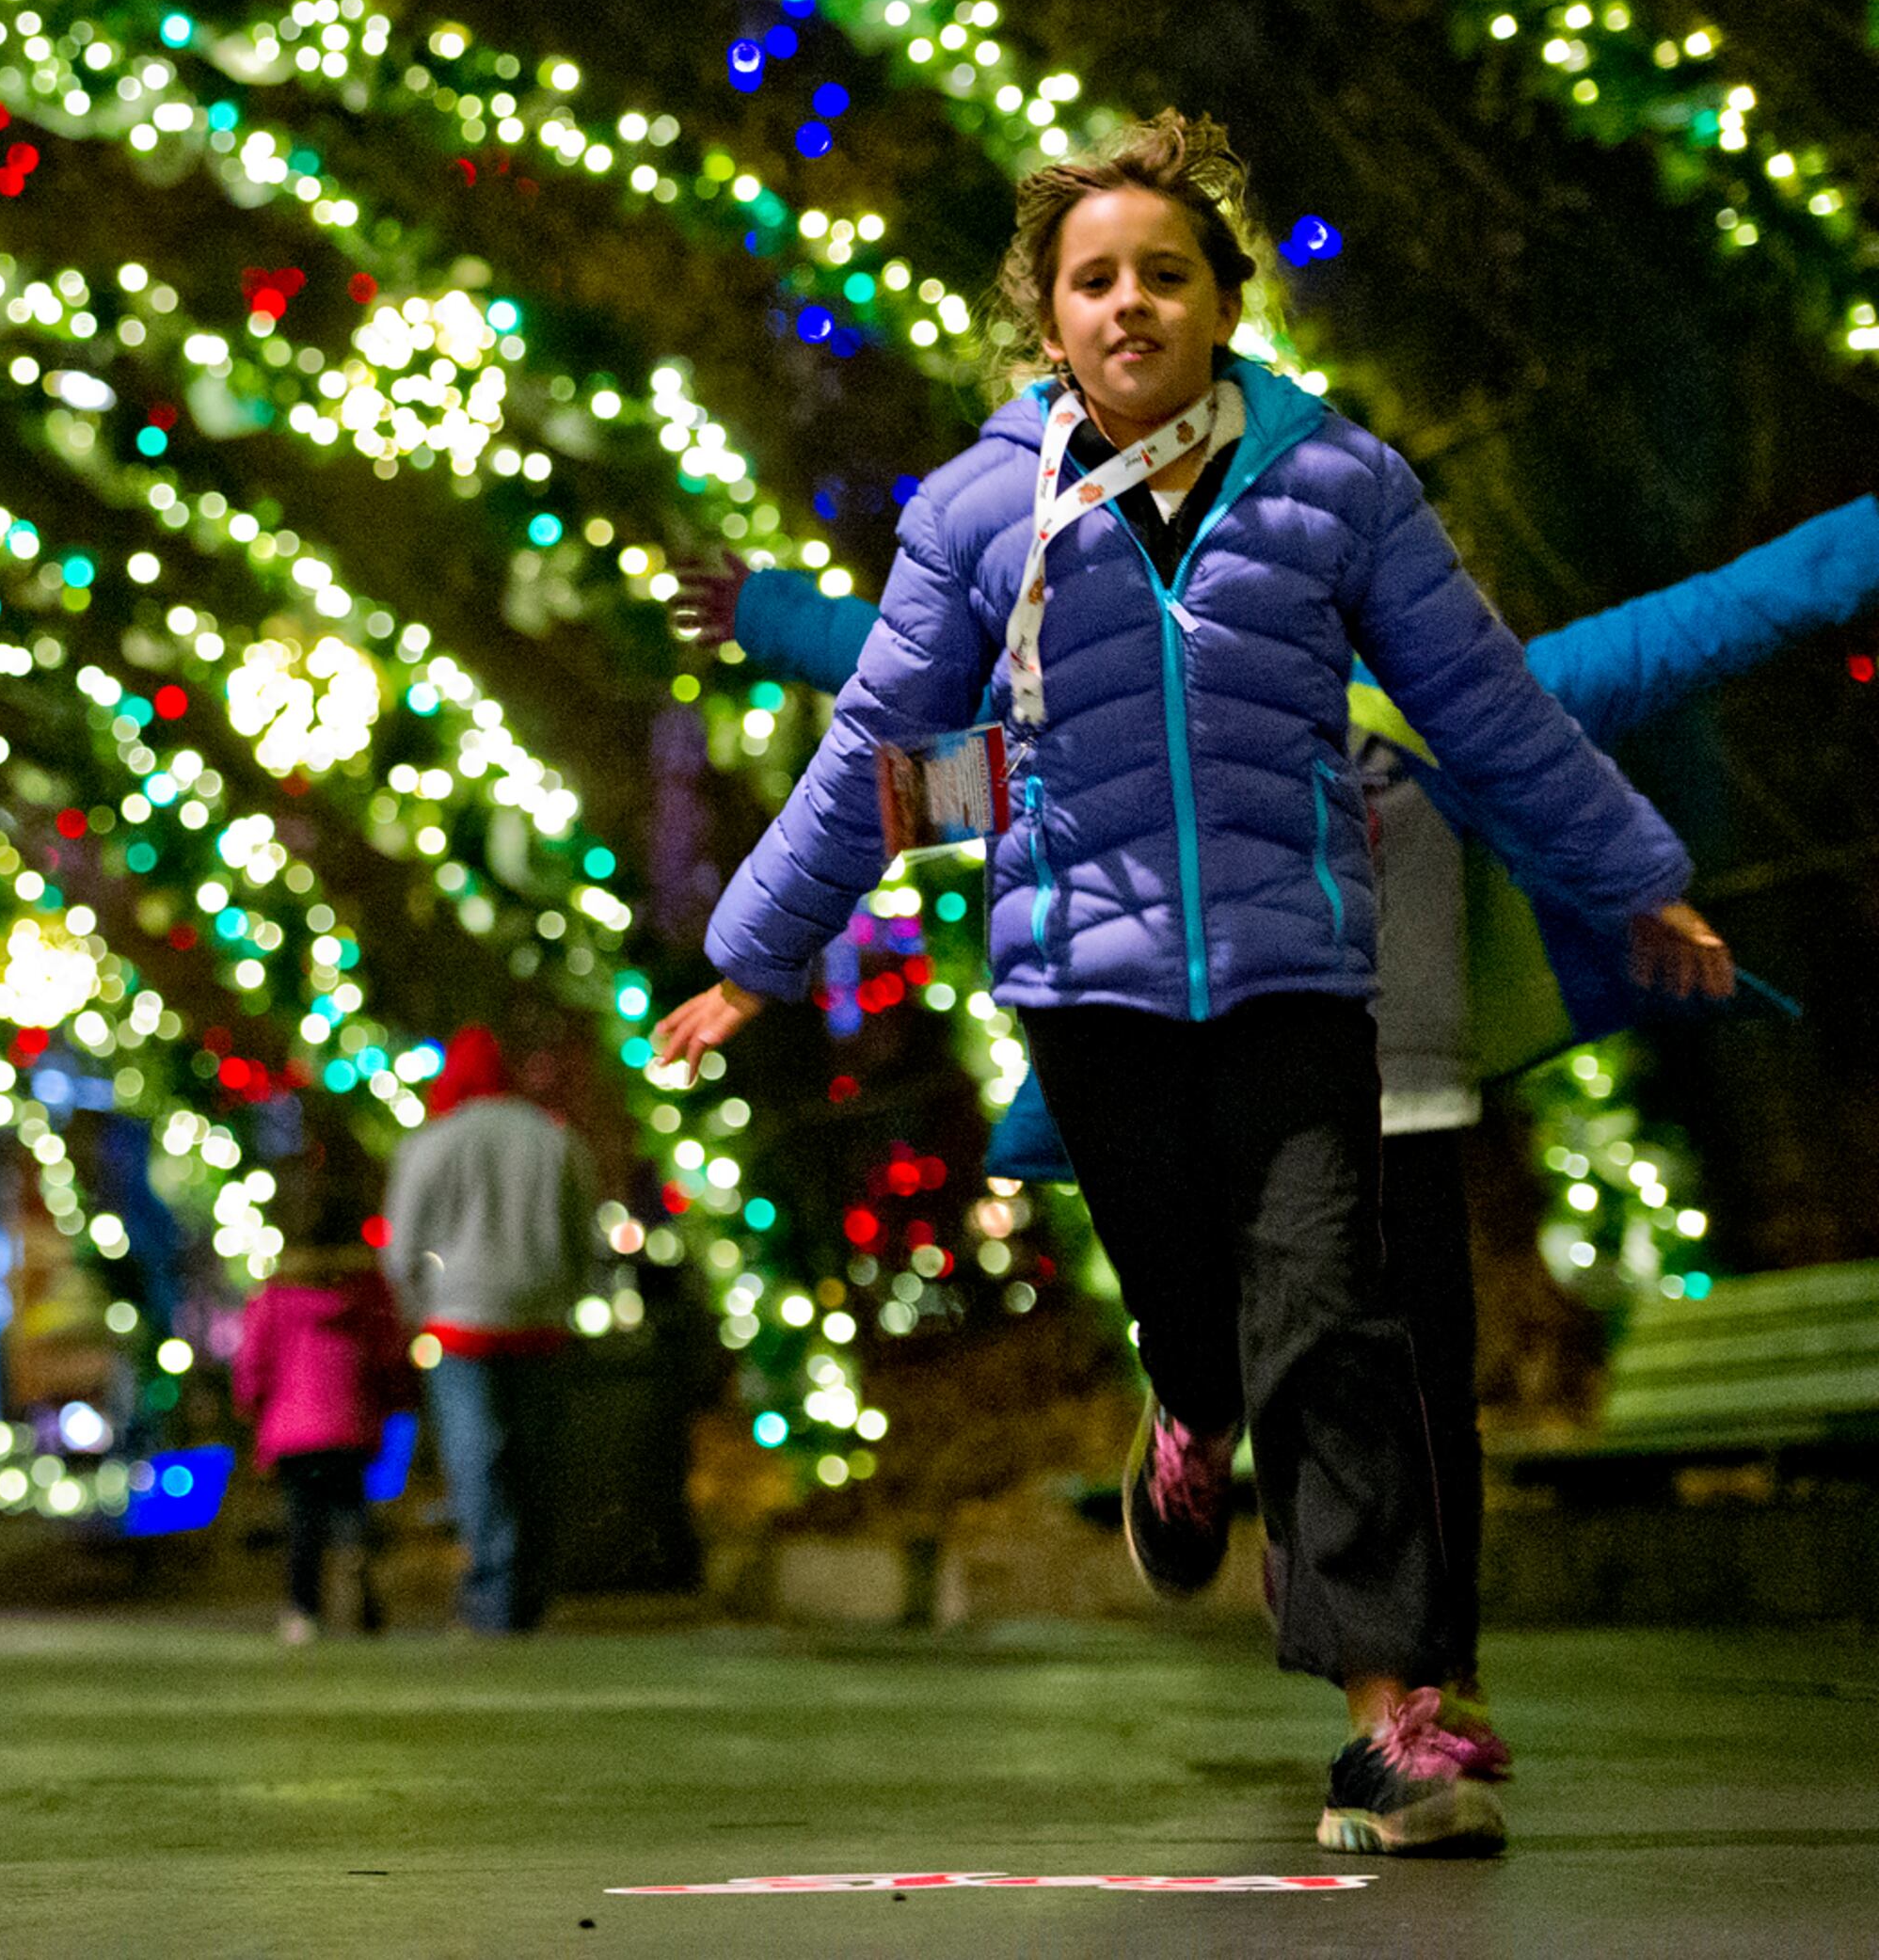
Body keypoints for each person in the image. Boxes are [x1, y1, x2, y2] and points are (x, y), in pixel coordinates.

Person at [661, 112, 1733, 1860]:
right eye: (1096, 280)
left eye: (1168, 272)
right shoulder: (978, 513)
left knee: (1335, 1311)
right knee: (1198, 1306)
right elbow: (881, 738)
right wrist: (758, 954)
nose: (1132, 304)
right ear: (1049, 317)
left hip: (1299, 970)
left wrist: (1641, 882)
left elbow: (1492, 713)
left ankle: (1392, 1721)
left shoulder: (1336, 490)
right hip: (1089, 993)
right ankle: (1190, 1401)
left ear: (1226, 301)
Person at [677, 494, 1873, 1740]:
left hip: (1405, 1100)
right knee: (1294, 1359)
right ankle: (1221, 1444)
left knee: (1418, 1392)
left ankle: (1433, 1677)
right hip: (1222, 1092)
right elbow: (925, 719)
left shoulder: (1478, 708)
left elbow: (1724, 613)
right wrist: (769, 621)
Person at [381, 1024, 597, 1634]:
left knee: (479, 1463)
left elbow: (403, 1247)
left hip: (460, 1326)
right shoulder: (556, 1141)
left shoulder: (433, 1143)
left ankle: (493, 1594)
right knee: (536, 1465)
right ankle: (529, 1594)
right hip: (542, 1322)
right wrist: (569, 1296)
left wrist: (416, 1305)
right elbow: (585, 1239)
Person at [232, 1157, 415, 1643]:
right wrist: (397, 1398)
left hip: (293, 1432)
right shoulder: (368, 1291)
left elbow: (253, 1363)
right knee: (351, 1506)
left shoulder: (274, 1297)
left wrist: (250, 1406)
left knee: (303, 1520)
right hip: (350, 1424)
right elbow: (388, 1354)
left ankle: (303, 1609)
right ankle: (355, 1560)